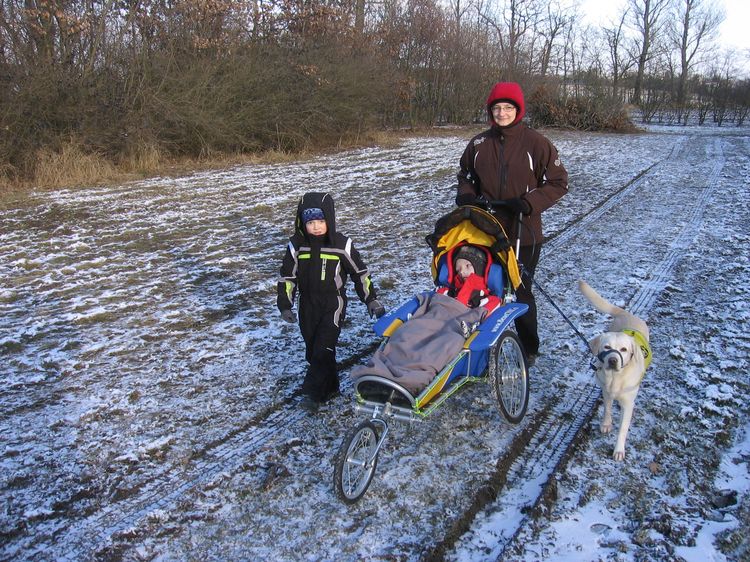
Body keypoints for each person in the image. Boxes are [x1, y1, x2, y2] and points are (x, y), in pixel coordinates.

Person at [455, 81, 569, 364]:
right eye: (497, 108)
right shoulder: (479, 143)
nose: (502, 113)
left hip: (523, 231)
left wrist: (530, 202)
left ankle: (529, 346)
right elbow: (465, 176)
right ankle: (479, 342)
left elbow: (558, 182)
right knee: (481, 285)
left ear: (518, 110)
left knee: (519, 290)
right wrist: (467, 197)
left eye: (508, 107)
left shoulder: (536, 143)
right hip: (485, 229)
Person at [277, 192, 385, 413]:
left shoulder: (340, 244)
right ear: (302, 222)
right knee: (313, 350)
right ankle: (331, 386)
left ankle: (313, 395)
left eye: (321, 221)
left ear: (330, 219)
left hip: (332, 303)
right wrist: (285, 305)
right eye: (310, 222)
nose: (316, 227)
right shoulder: (297, 245)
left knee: (323, 347)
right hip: (308, 305)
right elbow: (287, 277)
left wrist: (371, 299)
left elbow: (360, 274)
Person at [351, 243, 499, 394]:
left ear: (480, 267)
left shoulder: (485, 298)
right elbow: (430, 302)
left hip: (454, 328)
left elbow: (488, 313)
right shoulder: (446, 290)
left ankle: (412, 380)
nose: (462, 272)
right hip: (432, 319)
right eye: (458, 268)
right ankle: (381, 370)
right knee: (407, 333)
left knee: (444, 345)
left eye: (468, 266)